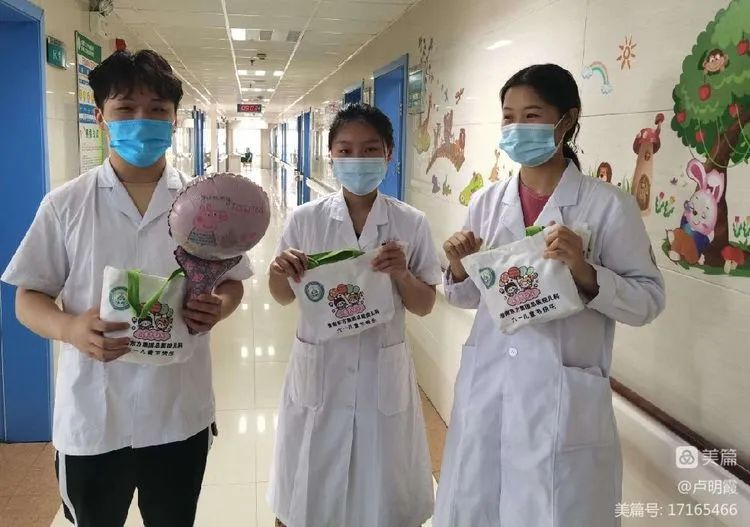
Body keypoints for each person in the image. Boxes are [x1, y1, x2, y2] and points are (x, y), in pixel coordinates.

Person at [1, 50, 252, 526]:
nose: (142, 121)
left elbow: (234, 283)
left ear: (174, 120)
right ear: (101, 117)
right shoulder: (65, 205)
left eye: (157, 109)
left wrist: (219, 306)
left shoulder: (206, 203)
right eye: (125, 109)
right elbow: (27, 298)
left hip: (178, 414)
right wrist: (70, 328)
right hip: (94, 417)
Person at [434, 64, 666, 527]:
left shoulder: (608, 206)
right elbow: (467, 297)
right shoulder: (486, 202)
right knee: (476, 503)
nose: (517, 127)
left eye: (533, 115)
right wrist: (458, 267)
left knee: (553, 510)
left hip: (560, 400)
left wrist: (585, 270)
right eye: (509, 117)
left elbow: (648, 300)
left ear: (567, 120)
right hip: (488, 388)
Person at [267, 103, 441, 527]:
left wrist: (402, 274)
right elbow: (282, 297)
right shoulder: (305, 220)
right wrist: (278, 271)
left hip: (381, 373)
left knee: (381, 495)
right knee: (310, 489)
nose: (357, 159)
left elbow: (424, 305)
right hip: (320, 371)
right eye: (345, 150)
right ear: (331, 155)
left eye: (369, 149)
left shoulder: (411, 223)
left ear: (389, 153)